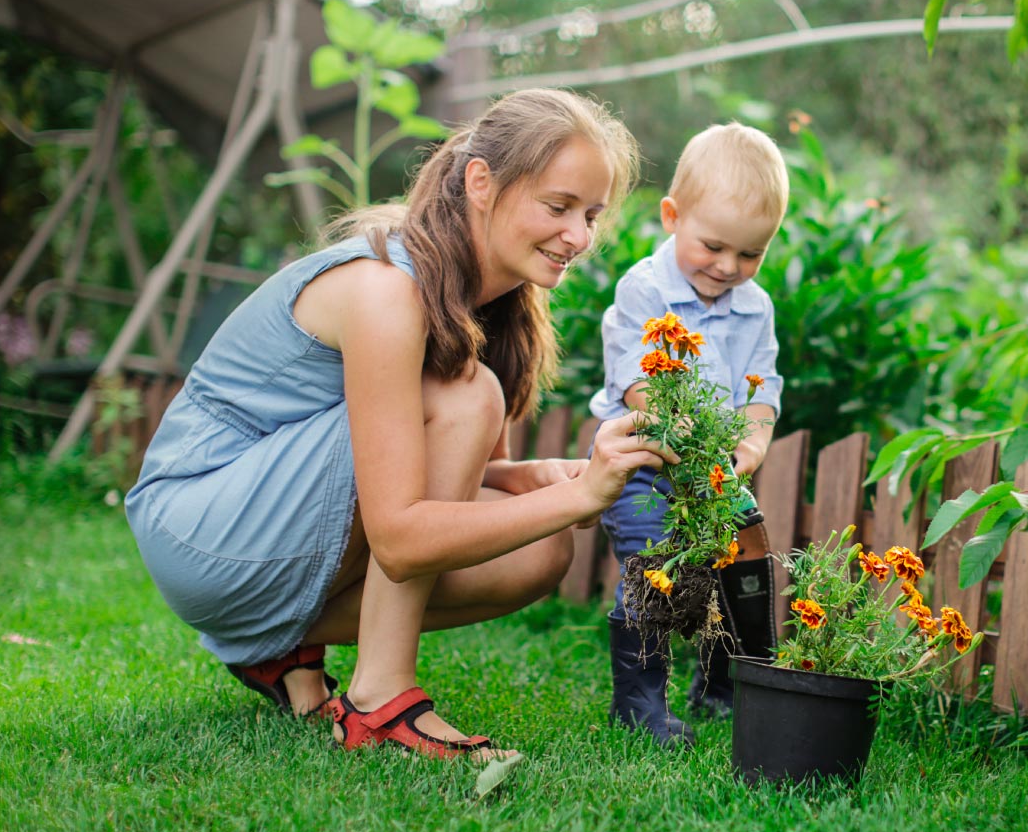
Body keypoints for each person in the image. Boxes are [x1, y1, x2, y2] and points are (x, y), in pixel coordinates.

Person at [125, 88, 673, 762]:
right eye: (557, 208)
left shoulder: (486, 297)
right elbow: (402, 534)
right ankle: (378, 701)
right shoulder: (390, 288)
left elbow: (437, 473)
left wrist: (531, 478)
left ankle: (282, 648)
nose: (579, 237)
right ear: (481, 182)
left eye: (590, 215)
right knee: (470, 399)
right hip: (201, 524)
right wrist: (583, 495)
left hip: (264, 517)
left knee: (542, 550)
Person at [589, 123, 788, 746]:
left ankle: (720, 686)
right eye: (714, 246)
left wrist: (751, 444)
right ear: (672, 216)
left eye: (750, 254)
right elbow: (638, 386)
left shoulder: (755, 307)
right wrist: (692, 447)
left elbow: (761, 392)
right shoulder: (645, 289)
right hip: (644, 464)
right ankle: (639, 703)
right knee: (655, 576)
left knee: (735, 576)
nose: (729, 267)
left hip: (713, 474)